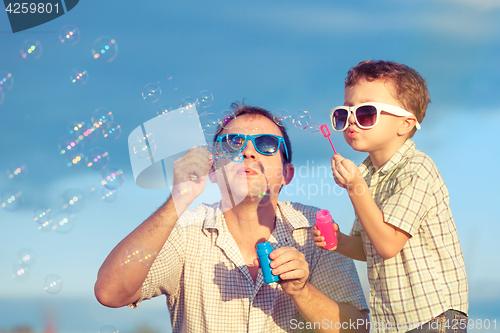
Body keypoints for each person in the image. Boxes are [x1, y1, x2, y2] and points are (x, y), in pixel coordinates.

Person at [94, 102, 369, 332]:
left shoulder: (314, 231)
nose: (248, 152)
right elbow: (110, 293)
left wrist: (302, 291)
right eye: (233, 143)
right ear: (213, 171)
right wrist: (177, 201)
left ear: (288, 173)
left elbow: (358, 328)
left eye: (266, 143)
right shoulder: (185, 232)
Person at [312, 60, 468, 332]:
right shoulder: (369, 175)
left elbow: (388, 245)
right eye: (344, 113)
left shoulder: (417, 169)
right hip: (396, 320)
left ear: (405, 123)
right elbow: (368, 247)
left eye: (366, 113)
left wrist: (355, 188)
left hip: (435, 316)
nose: (351, 121)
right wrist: (336, 241)